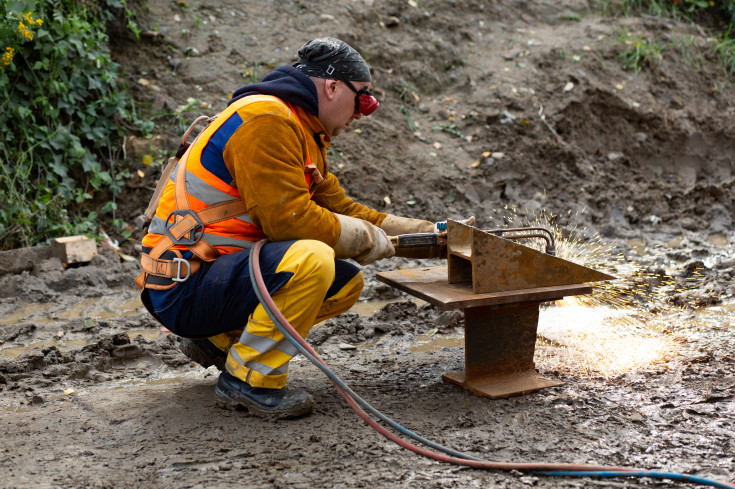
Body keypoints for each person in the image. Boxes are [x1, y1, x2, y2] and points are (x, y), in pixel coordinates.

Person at [136, 37, 443, 419]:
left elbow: (341, 208)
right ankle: (248, 381)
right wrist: (363, 239)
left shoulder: (302, 129)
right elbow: (288, 221)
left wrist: (434, 236)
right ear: (332, 87)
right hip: (184, 286)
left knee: (345, 281)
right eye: (362, 97)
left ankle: (217, 343)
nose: (365, 111)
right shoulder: (265, 121)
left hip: (216, 273)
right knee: (312, 259)